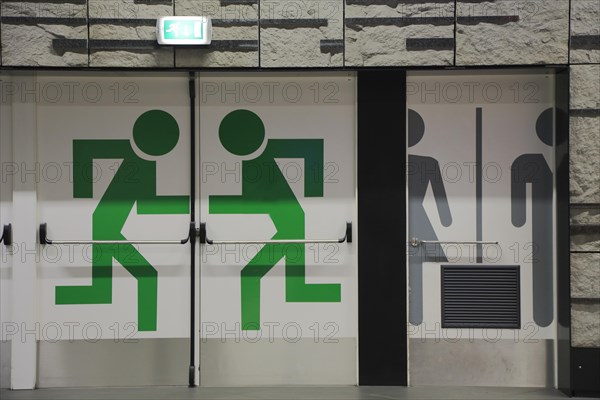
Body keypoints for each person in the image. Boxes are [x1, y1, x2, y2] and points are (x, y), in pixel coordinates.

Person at [56, 110, 189, 332]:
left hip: (106, 232)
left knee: (140, 278)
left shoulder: (129, 158)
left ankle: (149, 334)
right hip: (109, 233)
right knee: (146, 277)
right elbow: (150, 206)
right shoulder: (140, 165)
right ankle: (147, 330)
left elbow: (87, 156)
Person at [209, 109, 340, 330]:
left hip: (290, 229)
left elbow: (311, 155)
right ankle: (250, 332)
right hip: (289, 229)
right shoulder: (267, 156)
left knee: (252, 275)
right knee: (252, 275)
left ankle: (250, 332)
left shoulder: (268, 154)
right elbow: (311, 156)